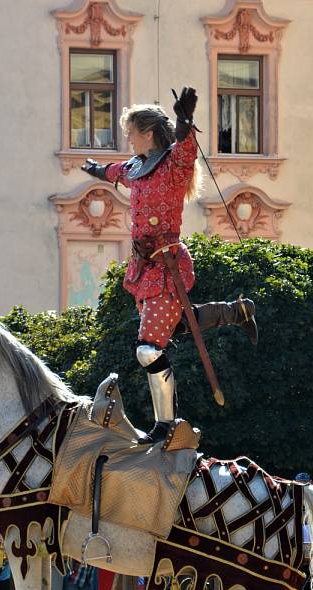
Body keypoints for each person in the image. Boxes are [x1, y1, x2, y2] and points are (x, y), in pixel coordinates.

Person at [82, 87, 257, 444]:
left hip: (166, 267)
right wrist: (97, 170)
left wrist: (185, 120)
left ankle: (165, 426)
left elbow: (187, 148)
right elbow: (116, 171)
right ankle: (234, 312)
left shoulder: (173, 166)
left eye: (130, 133)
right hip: (144, 269)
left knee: (148, 348)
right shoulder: (136, 167)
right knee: (173, 325)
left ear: (147, 133)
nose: (128, 140)